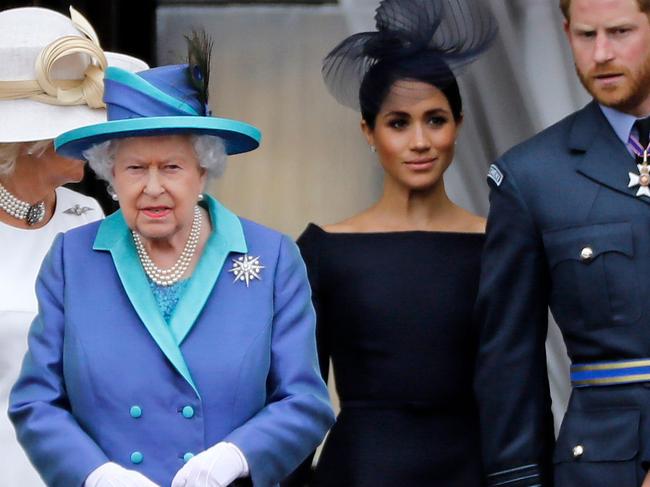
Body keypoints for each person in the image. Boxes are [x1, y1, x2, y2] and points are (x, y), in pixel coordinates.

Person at [9, 34, 335, 487]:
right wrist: (97, 475)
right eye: (135, 168)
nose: (154, 187)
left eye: (173, 167)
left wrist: (236, 456)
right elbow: (36, 403)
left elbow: (305, 401)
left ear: (204, 170)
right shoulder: (72, 259)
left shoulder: (272, 258)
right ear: (111, 175)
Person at [290, 1, 497, 485]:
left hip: (476, 472)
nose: (420, 141)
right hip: (360, 472)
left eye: (435, 119)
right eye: (399, 122)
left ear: (459, 125)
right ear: (369, 131)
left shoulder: (500, 245)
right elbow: (297, 396)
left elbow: (521, 386)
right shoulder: (323, 251)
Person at [475, 0, 650, 486]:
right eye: (585, 35)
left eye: (619, 32)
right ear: (566, 31)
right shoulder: (531, 176)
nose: (600, 54)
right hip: (604, 468)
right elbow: (510, 360)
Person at [0, 6, 148, 485]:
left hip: (81, 464)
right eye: (81, 123)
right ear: (28, 141)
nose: (97, 138)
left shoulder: (86, 216)